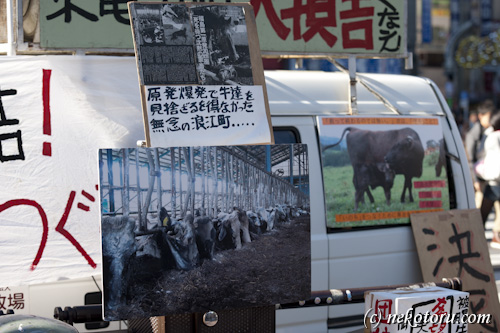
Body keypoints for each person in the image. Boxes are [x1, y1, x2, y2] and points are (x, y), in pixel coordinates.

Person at [478, 113, 500, 247]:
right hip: (496, 177)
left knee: (485, 210)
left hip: (492, 178)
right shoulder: (494, 136)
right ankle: (496, 236)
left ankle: (477, 235)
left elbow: (481, 153)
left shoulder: (491, 136)